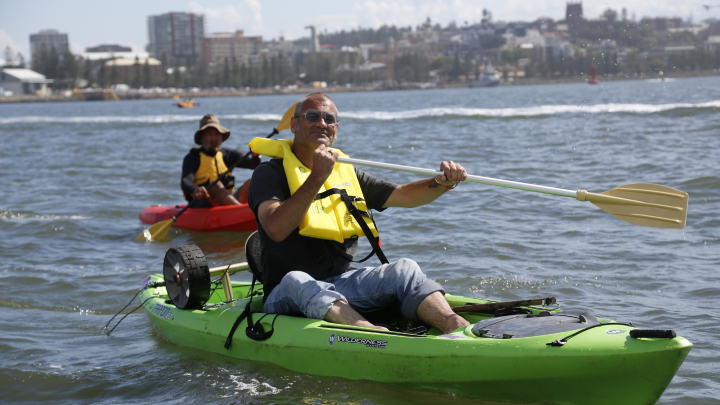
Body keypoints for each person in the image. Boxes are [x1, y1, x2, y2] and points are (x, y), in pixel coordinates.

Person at [248, 93, 470, 334]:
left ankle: (454, 325)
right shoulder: (268, 173)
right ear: (294, 124)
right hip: (285, 291)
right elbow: (275, 228)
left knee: (405, 268)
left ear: (336, 129)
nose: (322, 123)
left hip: (341, 283)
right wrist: (316, 177)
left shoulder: (346, 173)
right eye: (313, 116)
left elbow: (405, 195)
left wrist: (442, 182)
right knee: (297, 279)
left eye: (329, 119)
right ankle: (370, 332)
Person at [181, 114, 260, 207]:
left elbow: (253, 165)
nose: (214, 138)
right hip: (203, 204)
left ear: (221, 136)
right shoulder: (192, 157)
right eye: (209, 134)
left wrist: (255, 156)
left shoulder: (229, 154)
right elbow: (185, 182)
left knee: (256, 180)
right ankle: (243, 212)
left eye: (217, 134)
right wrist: (195, 189)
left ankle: (260, 209)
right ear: (202, 138)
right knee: (215, 185)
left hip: (227, 202)